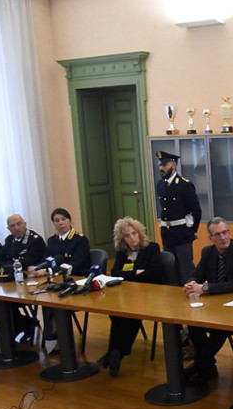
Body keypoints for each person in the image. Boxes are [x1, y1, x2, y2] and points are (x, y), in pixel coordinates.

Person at [183, 218, 233, 383]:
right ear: (211, 238)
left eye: (225, 232)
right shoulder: (208, 252)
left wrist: (205, 288)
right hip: (215, 305)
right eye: (218, 235)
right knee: (194, 323)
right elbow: (197, 273)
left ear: (229, 233)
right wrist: (191, 283)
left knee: (219, 330)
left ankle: (199, 366)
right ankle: (207, 368)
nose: (223, 237)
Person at [96, 217, 165, 377]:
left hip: (152, 294)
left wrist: (128, 275)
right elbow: (115, 273)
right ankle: (116, 353)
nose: (132, 238)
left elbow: (154, 273)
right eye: (127, 235)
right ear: (123, 239)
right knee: (120, 314)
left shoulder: (152, 248)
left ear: (140, 233)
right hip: (128, 294)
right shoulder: (122, 252)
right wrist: (136, 272)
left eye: (134, 233)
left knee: (132, 314)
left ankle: (115, 354)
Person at [0, 213, 46, 343]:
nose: (16, 228)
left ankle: (16, 325)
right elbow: (1, 257)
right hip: (10, 283)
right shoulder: (10, 240)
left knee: (4, 302)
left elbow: (24, 264)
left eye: (19, 224)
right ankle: (24, 322)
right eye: (12, 226)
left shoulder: (35, 240)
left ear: (25, 224)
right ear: (8, 229)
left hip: (30, 285)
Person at [29, 207, 91, 342]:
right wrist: (38, 268)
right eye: (56, 220)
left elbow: (75, 264)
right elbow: (47, 259)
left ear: (70, 221)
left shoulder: (80, 240)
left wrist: (49, 271)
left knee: (56, 300)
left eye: (64, 219)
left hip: (77, 280)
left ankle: (59, 337)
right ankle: (52, 335)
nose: (60, 223)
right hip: (58, 280)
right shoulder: (52, 240)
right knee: (46, 298)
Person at [156, 150, 202, 284]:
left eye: (165, 165)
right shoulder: (160, 185)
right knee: (171, 270)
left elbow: (196, 211)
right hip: (167, 233)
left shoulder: (184, 185)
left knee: (186, 269)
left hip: (182, 233)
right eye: (160, 165)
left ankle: (191, 292)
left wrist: (191, 231)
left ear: (174, 165)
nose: (161, 168)